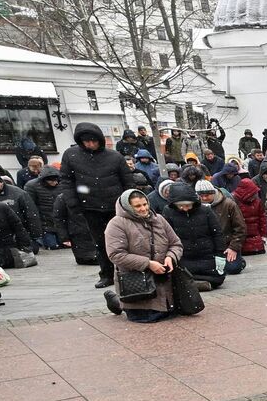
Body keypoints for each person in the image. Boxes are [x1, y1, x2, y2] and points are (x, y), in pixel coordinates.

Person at [56, 122, 130, 288]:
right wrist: (73, 203)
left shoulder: (114, 157)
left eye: (93, 140)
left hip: (115, 205)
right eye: (86, 141)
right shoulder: (71, 155)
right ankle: (107, 274)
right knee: (100, 242)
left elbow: (127, 181)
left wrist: (128, 203)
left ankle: (125, 272)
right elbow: (67, 181)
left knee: (122, 241)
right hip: (90, 206)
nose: (90, 144)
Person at [102, 188, 183, 323]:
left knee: (184, 308)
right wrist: (148, 264)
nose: (143, 209)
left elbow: (176, 244)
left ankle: (117, 302)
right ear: (128, 207)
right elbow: (116, 254)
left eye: (145, 204)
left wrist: (171, 257)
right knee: (149, 317)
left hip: (164, 278)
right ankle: (117, 302)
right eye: (138, 206)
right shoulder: (117, 224)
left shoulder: (159, 219)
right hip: (137, 280)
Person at [162, 182, 226, 289]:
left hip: (206, 253)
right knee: (181, 274)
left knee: (218, 277)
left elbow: (217, 233)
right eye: (181, 206)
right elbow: (167, 237)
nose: (185, 209)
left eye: (188, 205)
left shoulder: (205, 210)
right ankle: (196, 283)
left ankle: (193, 283)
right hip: (184, 255)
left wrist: (220, 254)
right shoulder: (169, 212)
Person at [196, 180, 245, 275]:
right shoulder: (195, 207)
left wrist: (233, 247)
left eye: (207, 195)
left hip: (226, 243)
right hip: (206, 246)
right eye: (201, 196)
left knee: (232, 269)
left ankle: (238, 260)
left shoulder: (228, 204)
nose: (204, 198)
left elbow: (240, 227)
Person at [233, 177, 266, 255]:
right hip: (243, 235)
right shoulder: (234, 201)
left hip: (253, 234)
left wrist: (264, 234)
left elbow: (262, 218)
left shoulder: (257, 201)